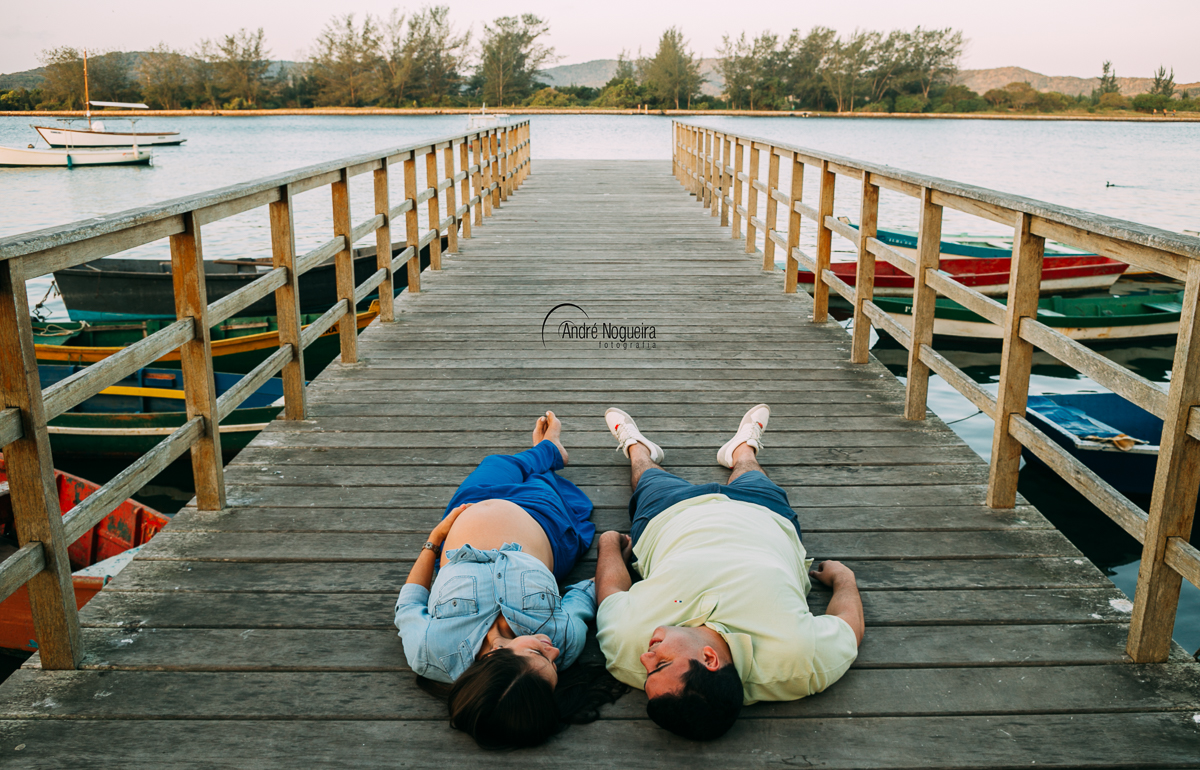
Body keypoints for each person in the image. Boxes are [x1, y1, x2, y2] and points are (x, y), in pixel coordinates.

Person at [594, 404, 865, 741]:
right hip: (765, 515)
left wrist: (607, 544)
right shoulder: (801, 660)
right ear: (709, 659)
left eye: (646, 673)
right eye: (660, 664)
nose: (645, 659)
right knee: (751, 470)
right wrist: (843, 580)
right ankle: (742, 448)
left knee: (646, 475)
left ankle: (637, 446)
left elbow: (611, 597)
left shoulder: (627, 647)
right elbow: (847, 629)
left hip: (668, 516)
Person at [394, 411, 624, 748]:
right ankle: (548, 451)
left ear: (494, 660)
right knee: (541, 480)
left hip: (467, 508)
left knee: (497, 464)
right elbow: (586, 593)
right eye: (554, 670)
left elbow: (409, 603)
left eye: (540, 657)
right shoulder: (564, 642)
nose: (555, 652)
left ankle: (548, 450)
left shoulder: (431, 651)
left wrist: (434, 539)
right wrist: (618, 556)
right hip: (545, 520)